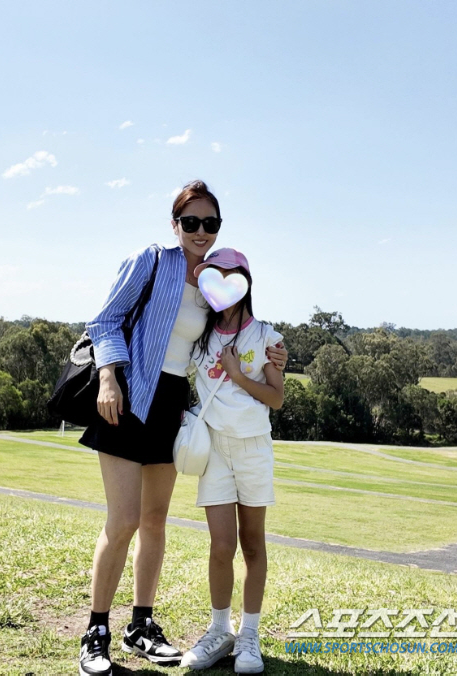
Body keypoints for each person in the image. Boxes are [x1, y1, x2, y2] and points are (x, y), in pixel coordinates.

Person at [76, 181, 288, 676]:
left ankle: (141, 626)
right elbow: (104, 321)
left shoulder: (215, 283)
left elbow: (237, 332)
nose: (200, 230)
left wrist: (273, 354)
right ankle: (96, 632)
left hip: (172, 405)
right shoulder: (152, 261)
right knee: (123, 521)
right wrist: (107, 378)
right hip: (127, 394)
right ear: (175, 224)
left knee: (154, 521)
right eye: (190, 221)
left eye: (210, 222)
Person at [180, 248, 284, 674]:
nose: (220, 285)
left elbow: (276, 398)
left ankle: (249, 635)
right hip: (214, 449)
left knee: (253, 544)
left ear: (244, 282)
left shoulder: (266, 337)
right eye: (212, 276)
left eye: (229, 275)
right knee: (221, 546)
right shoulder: (199, 337)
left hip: (253, 448)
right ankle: (219, 630)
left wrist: (239, 374)